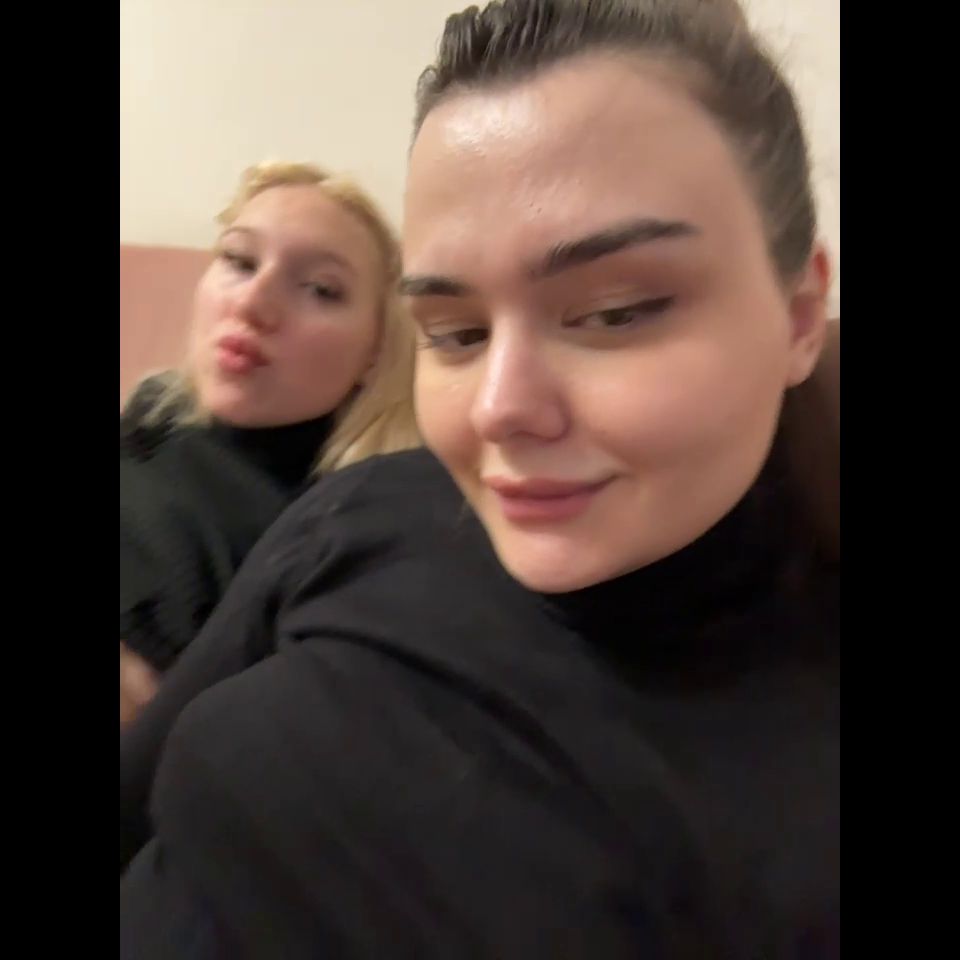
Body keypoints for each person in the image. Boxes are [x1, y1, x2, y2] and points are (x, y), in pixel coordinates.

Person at [120, 1, 840, 956]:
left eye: (616, 312)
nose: (500, 407)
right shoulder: (363, 514)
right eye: (456, 333)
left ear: (800, 315)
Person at [119, 161, 419, 724]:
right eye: (239, 260)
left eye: (321, 289)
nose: (252, 303)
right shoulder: (152, 412)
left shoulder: (355, 524)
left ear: (375, 352)